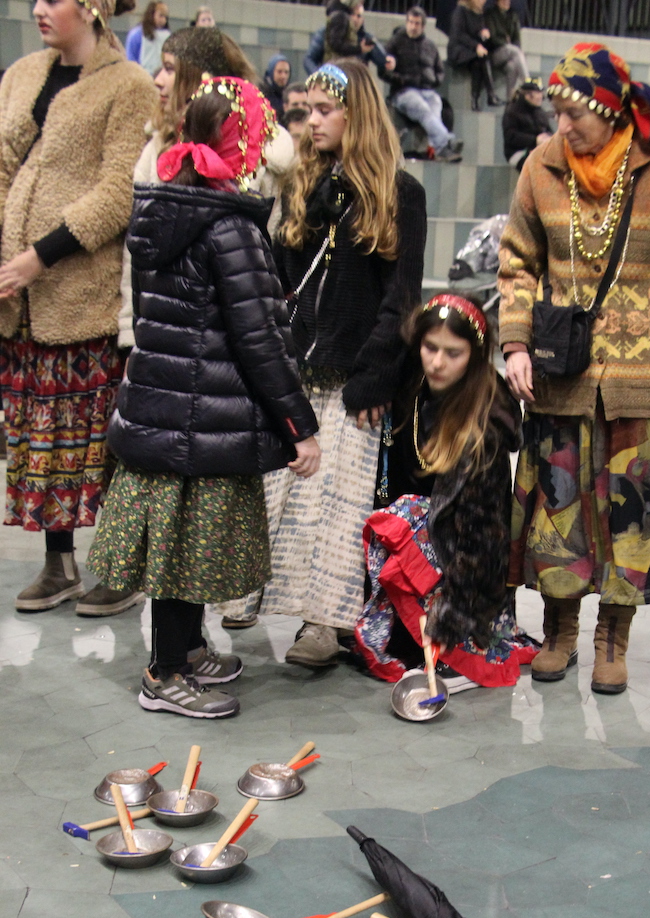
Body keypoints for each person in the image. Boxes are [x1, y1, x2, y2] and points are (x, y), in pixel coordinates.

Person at [499, 42, 650, 693]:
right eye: (557, 112)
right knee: (559, 510)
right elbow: (516, 261)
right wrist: (515, 344)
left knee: (635, 516)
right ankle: (559, 632)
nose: (563, 125)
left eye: (575, 113)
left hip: (645, 375)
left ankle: (612, 637)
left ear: (608, 109)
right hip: (562, 375)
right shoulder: (542, 166)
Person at [87, 78, 320, 719]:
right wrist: (298, 424)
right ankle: (164, 674)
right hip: (203, 414)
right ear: (240, 146)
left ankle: (187, 651)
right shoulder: (229, 226)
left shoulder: (163, 210)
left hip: (165, 408)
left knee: (182, 542)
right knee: (184, 552)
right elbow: (260, 340)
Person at [218, 61, 427, 661]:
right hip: (295, 370)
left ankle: (323, 624)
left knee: (337, 504)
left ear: (356, 115)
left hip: (356, 379)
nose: (311, 121)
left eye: (325, 110)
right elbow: (278, 278)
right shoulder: (302, 187)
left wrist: (373, 379)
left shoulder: (399, 193)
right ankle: (248, 589)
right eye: (306, 110)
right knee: (273, 489)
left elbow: (401, 299)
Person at [0, 0, 157, 617]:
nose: (39, 9)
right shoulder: (21, 74)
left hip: (82, 293)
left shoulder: (129, 85)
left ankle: (122, 568)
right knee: (41, 438)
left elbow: (119, 191)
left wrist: (39, 256)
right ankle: (58, 563)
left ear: (91, 7)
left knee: (98, 440)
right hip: (21, 300)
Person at [358, 294, 539, 689]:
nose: (437, 363)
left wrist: (451, 620)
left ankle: (464, 640)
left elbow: (484, 543)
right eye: (430, 348)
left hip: (466, 578)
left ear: (475, 356)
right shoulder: (414, 388)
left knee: (404, 518)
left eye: (453, 353)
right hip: (433, 549)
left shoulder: (484, 427)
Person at [119, 26, 296, 349]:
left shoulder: (257, 158)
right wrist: (133, 334)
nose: (158, 79)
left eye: (170, 68)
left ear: (204, 78)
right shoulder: (157, 149)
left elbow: (260, 266)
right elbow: (138, 255)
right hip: (161, 335)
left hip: (227, 342)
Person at [383, 6, 461, 163]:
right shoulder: (395, 42)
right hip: (403, 91)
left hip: (427, 89)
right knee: (422, 107)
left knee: (436, 103)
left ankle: (438, 148)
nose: (413, 26)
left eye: (417, 23)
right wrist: (401, 79)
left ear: (423, 26)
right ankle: (446, 140)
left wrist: (434, 80)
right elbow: (383, 70)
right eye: (410, 22)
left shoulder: (430, 46)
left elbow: (440, 71)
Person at [448, 0, 501, 111]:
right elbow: (459, 35)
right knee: (482, 58)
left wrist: (484, 35)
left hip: (473, 51)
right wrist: (476, 46)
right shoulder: (460, 11)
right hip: (459, 49)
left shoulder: (480, 14)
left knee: (478, 62)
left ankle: (475, 100)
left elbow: (477, 35)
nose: (483, 1)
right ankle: (491, 94)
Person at [323, 2, 388, 77]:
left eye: (359, 16)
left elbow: (382, 60)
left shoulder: (366, 38)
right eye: (352, 14)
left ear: (362, 19)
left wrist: (389, 60)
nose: (355, 19)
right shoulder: (331, 32)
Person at [502, 76, 553, 169]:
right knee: (538, 166)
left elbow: (549, 131)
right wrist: (535, 140)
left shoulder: (540, 111)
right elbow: (511, 136)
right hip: (518, 152)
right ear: (527, 95)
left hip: (538, 149)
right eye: (538, 93)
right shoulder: (512, 111)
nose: (541, 96)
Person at [485, 0, 528, 102]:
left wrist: (508, 43)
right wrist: (506, 42)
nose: (506, 2)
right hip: (494, 53)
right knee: (514, 50)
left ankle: (510, 101)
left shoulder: (513, 15)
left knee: (512, 66)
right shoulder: (490, 15)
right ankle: (527, 84)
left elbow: (517, 39)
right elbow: (492, 38)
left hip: (510, 53)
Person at [125, 0, 169, 75]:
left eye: (166, 17)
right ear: (152, 14)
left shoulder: (167, 35)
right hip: (141, 75)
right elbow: (131, 59)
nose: (164, 20)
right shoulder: (136, 34)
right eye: (161, 16)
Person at [262, 53, 291, 120]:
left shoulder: (290, 94)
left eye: (286, 72)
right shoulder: (262, 94)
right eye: (279, 72)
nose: (283, 76)